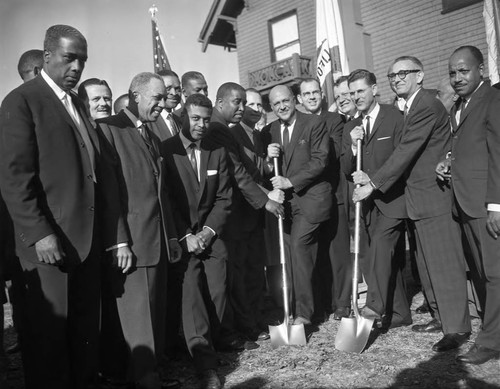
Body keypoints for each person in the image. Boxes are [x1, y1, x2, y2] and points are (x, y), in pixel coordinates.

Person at [0, 24, 127, 389]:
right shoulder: (22, 101)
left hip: (84, 244)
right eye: (69, 58)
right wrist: (40, 233)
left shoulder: (77, 104)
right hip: (47, 248)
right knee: (49, 348)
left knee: (84, 339)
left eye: (82, 61)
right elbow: (14, 178)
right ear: (47, 57)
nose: (76, 68)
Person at [353, 56, 470, 352]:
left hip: (433, 197)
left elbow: (406, 150)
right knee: (426, 263)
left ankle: (456, 328)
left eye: (404, 73)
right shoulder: (408, 107)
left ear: (420, 75)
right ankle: (439, 315)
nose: (397, 78)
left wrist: (373, 183)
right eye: (392, 75)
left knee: (443, 263)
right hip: (416, 199)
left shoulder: (425, 105)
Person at [97, 72, 182, 389]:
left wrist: (171, 234)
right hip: (131, 243)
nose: (162, 104)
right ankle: (147, 380)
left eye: (163, 98)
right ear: (135, 95)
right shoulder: (109, 130)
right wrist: (119, 241)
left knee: (153, 316)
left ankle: (149, 375)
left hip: (156, 241)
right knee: (138, 320)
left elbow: (162, 194)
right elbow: (110, 192)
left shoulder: (151, 135)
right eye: (156, 98)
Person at [162, 93, 232, 389]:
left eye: (206, 119)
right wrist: (185, 235)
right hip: (181, 238)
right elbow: (165, 199)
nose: (202, 125)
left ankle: (214, 340)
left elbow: (223, 198)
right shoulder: (166, 151)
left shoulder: (217, 151)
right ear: (183, 118)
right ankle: (204, 361)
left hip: (209, 234)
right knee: (190, 288)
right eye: (195, 119)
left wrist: (208, 232)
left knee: (219, 280)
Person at [436, 45, 500, 364]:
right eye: (452, 72)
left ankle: (490, 343)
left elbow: (499, 154)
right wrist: (448, 160)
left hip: (486, 204)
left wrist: (496, 206)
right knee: (481, 275)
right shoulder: (459, 106)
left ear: (480, 70)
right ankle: (493, 330)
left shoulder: (493, 100)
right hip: (464, 203)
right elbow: (468, 145)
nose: (458, 77)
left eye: (464, 70)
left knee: (495, 273)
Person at [208, 82, 283, 349]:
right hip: (233, 216)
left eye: (244, 103)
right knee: (238, 274)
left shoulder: (226, 129)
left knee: (248, 270)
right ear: (220, 103)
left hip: (243, 214)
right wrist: (265, 201)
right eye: (236, 102)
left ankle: (250, 323)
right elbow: (238, 173)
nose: (241, 108)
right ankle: (243, 327)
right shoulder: (218, 129)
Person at [340, 69, 410, 330]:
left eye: (361, 90)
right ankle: (401, 312)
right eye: (352, 92)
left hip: (392, 199)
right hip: (366, 205)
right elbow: (346, 167)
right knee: (378, 256)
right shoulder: (351, 126)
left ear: (374, 89)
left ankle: (373, 307)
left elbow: (399, 159)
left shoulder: (394, 117)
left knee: (382, 245)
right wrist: (354, 146)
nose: (357, 96)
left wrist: (373, 181)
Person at [263, 85, 332, 325]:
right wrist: (268, 162)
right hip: (288, 206)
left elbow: (320, 160)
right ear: (271, 108)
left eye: (285, 101)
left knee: (299, 247)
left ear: (295, 100)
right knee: (292, 256)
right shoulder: (270, 130)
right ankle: (294, 308)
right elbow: (267, 171)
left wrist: (290, 181)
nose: (281, 107)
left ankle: (304, 313)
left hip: (312, 200)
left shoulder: (313, 123)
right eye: (276, 104)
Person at [296, 78, 352, 321]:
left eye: (315, 92)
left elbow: (332, 154)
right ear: (300, 99)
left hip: (334, 193)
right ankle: (321, 303)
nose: (311, 97)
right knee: (315, 254)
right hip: (308, 199)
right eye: (306, 94)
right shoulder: (298, 124)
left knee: (337, 252)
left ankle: (342, 303)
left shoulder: (334, 120)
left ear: (322, 94)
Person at [225, 88, 270, 340]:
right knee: (243, 268)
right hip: (242, 210)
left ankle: (256, 315)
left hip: (255, 212)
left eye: (254, 104)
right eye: (244, 103)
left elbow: (259, 169)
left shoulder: (257, 135)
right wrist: (264, 197)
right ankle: (247, 322)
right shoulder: (231, 133)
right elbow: (241, 173)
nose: (250, 108)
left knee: (255, 265)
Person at [150, 70, 183, 141]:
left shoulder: (180, 122)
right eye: (168, 89)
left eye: (177, 89)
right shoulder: (149, 121)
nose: (174, 93)